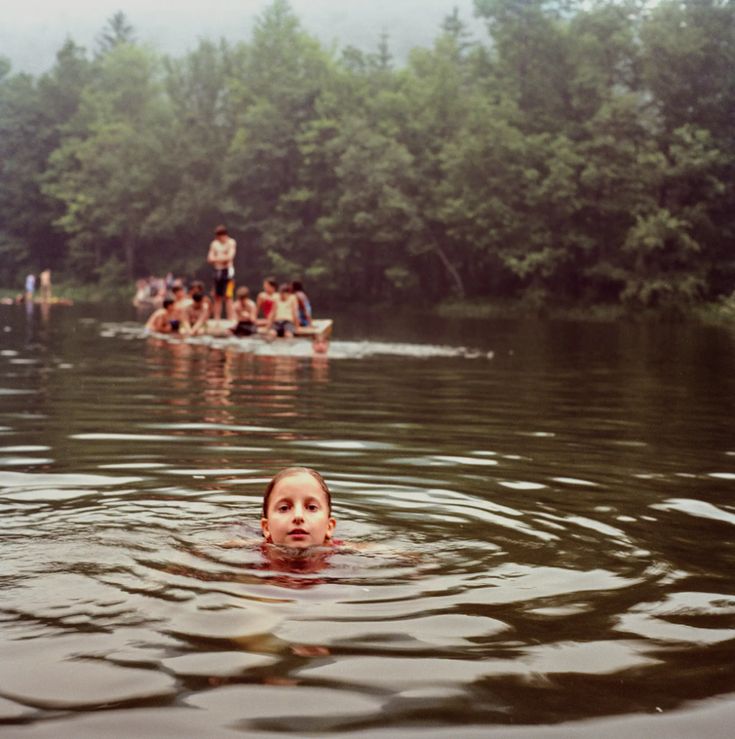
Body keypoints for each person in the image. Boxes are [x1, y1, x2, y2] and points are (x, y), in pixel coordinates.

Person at [261, 467, 336, 548]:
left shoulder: (346, 553)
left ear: (329, 527)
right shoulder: (250, 552)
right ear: (266, 527)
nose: (298, 516)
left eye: (311, 507)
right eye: (284, 508)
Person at [207, 225, 237, 321]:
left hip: (228, 271)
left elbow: (230, 257)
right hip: (217, 271)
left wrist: (217, 259)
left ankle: (230, 318)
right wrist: (221, 259)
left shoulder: (231, 242)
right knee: (217, 296)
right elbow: (209, 258)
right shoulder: (214, 244)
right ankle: (217, 319)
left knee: (228, 296)